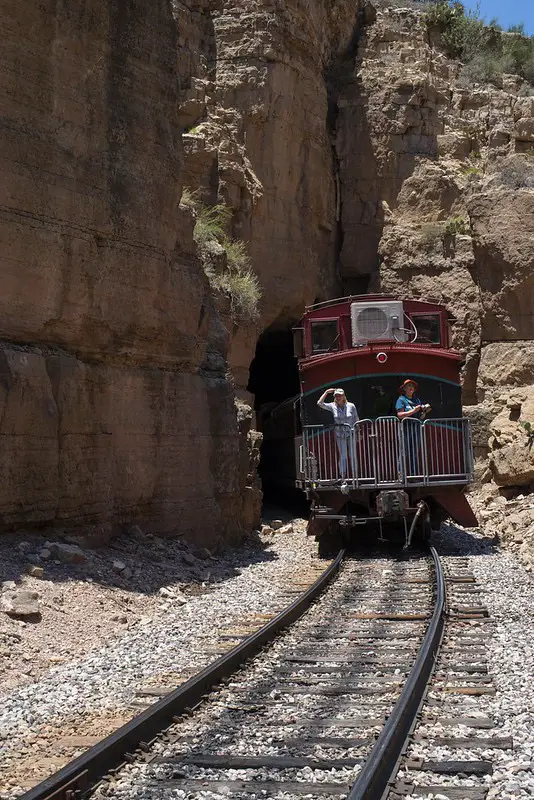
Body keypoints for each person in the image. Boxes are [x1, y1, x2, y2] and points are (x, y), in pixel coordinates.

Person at [317, 388, 359, 478]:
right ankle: (343, 476)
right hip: (340, 435)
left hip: (351, 433)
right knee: (343, 455)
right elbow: (319, 403)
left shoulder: (351, 406)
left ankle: (355, 476)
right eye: (336, 395)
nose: (338, 397)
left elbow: (356, 419)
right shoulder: (333, 406)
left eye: (340, 395)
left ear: (343, 396)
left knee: (353, 455)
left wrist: (358, 432)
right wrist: (326, 392)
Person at [395, 379, 431, 477]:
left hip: (415, 428)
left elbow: (420, 417)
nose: (411, 387)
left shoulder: (417, 400)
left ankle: (413, 474)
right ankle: (400, 474)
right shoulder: (401, 399)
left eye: (413, 386)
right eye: (409, 386)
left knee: (414, 452)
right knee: (404, 452)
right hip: (405, 428)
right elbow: (400, 415)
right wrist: (414, 410)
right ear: (404, 389)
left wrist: (424, 413)